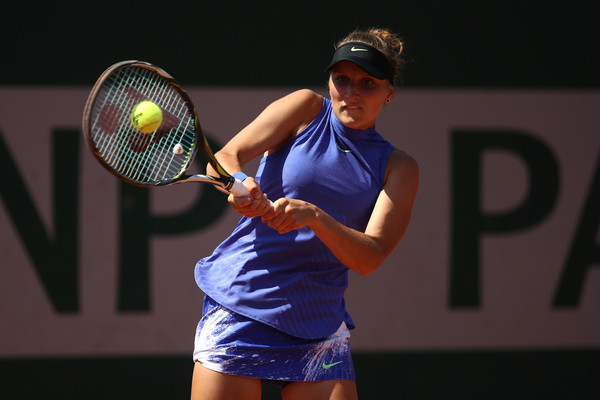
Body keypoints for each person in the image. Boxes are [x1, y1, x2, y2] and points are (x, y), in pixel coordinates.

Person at [191, 27, 419, 400]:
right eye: (341, 79)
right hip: (243, 301)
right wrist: (239, 184)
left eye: (367, 83)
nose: (351, 93)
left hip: (320, 323)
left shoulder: (399, 167)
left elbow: (370, 256)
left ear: (389, 92)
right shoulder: (305, 107)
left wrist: (315, 216)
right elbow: (225, 159)